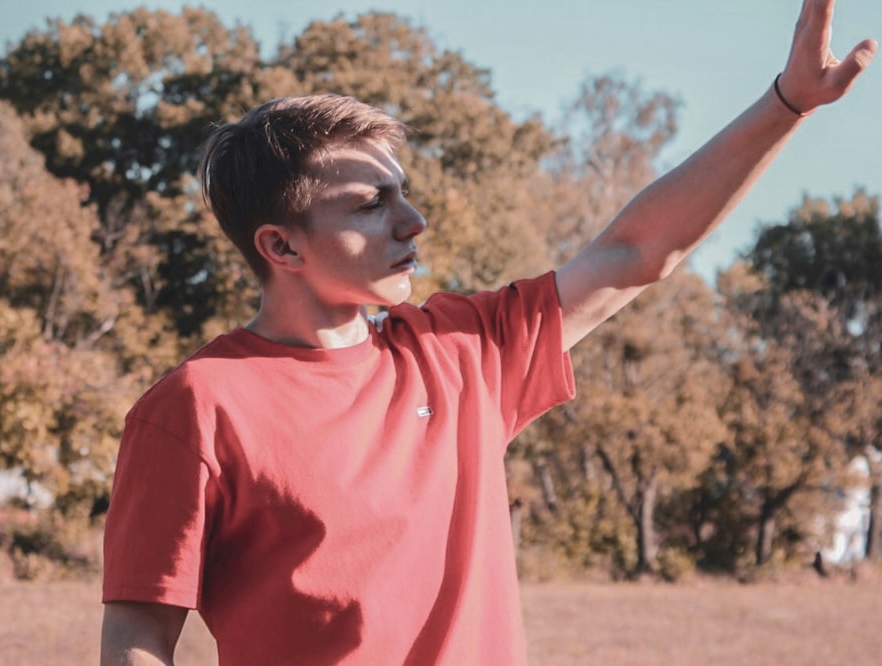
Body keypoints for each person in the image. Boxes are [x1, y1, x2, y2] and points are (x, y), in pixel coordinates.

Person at [100, 1, 875, 663]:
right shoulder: (197, 406)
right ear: (281, 246)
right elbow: (139, 627)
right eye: (371, 205)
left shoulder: (460, 349)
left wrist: (788, 103)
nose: (413, 220)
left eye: (403, 194)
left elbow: (638, 251)